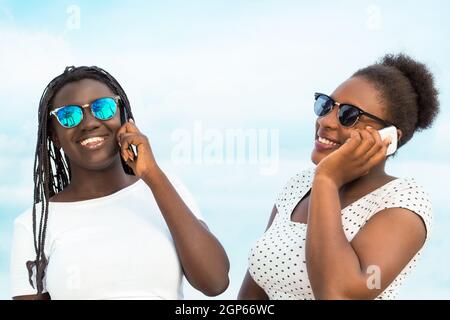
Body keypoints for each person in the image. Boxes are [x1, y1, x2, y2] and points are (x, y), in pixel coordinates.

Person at [11, 66, 229, 300]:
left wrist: (152, 175)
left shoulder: (163, 189)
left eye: (103, 108)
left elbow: (214, 282)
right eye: (68, 115)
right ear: (55, 137)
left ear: (123, 118)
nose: (89, 123)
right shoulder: (34, 225)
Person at [238, 53, 439, 300]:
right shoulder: (298, 186)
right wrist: (323, 180)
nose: (325, 121)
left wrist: (327, 181)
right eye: (325, 105)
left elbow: (338, 294)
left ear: (389, 138)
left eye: (348, 115)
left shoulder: (403, 202)